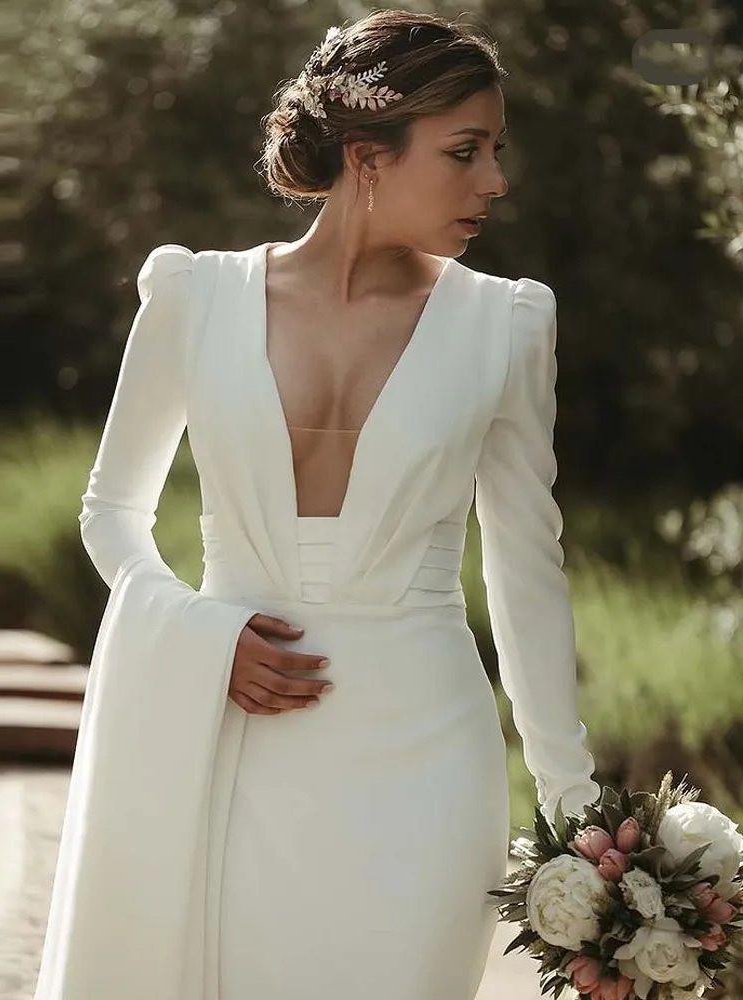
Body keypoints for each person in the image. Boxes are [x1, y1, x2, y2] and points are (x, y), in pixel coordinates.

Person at [33, 10, 601, 1000]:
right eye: (463, 152)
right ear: (365, 155)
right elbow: (110, 509)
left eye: (493, 151)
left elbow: (526, 573)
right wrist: (197, 630)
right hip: (238, 744)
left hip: (427, 759)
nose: (494, 181)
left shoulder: (506, 325)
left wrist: (575, 814)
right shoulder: (192, 298)